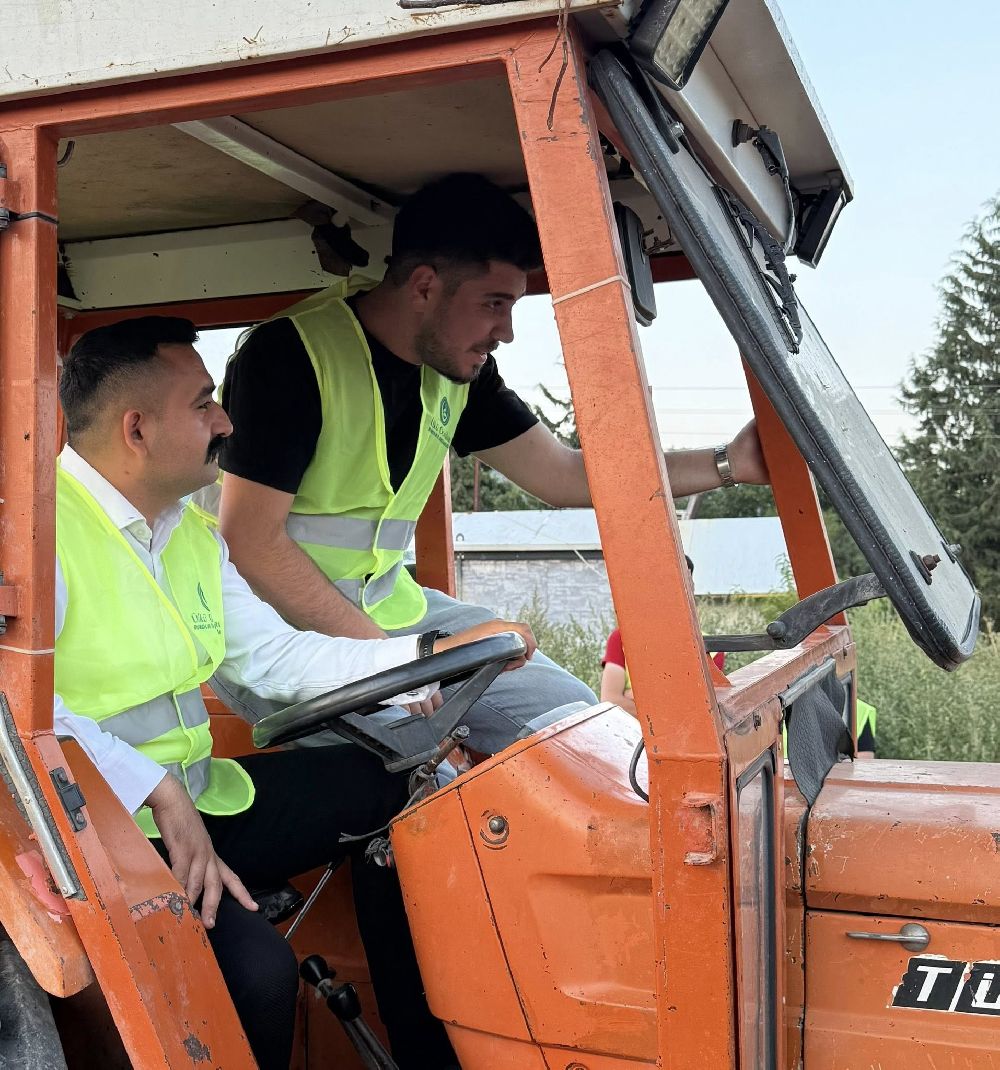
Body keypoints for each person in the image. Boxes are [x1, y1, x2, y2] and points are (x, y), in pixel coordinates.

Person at [54, 317, 535, 1070]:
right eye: (204, 404)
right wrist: (151, 788)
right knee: (258, 976)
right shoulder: (38, 531)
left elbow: (276, 657)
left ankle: (427, 1054)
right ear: (136, 428)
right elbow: (18, 708)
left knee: (400, 792)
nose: (226, 422)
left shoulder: (185, 533)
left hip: (197, 800)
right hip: (87, 833)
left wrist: (425, 657)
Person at [217, 173, 768, 751]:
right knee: (424, 772)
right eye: (494, 304)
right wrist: (393, 663)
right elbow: (251, 543)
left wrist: (730, 462)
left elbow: (564, 475)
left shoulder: (457, 367)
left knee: (579, 730)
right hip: (278, 631)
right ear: (425, 286)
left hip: (388, 611)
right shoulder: (290, 357)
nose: (505, 331)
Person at [601, 557, 724, 715]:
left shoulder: (712, 649)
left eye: (680, 582)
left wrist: (634, 699)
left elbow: (698, 711)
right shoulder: (621, 639)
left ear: (691, 588)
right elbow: (610, 701)